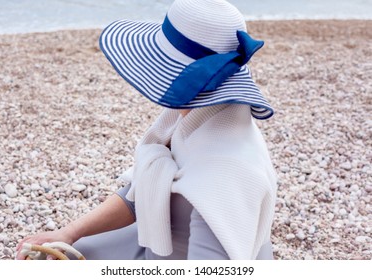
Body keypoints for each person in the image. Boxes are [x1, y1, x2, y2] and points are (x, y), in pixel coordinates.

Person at [16, 0, 277, 260]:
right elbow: (139, 194)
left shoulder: (224, 174)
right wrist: (69, 233)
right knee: (62, 255)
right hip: (163, 242)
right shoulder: (195, 114)